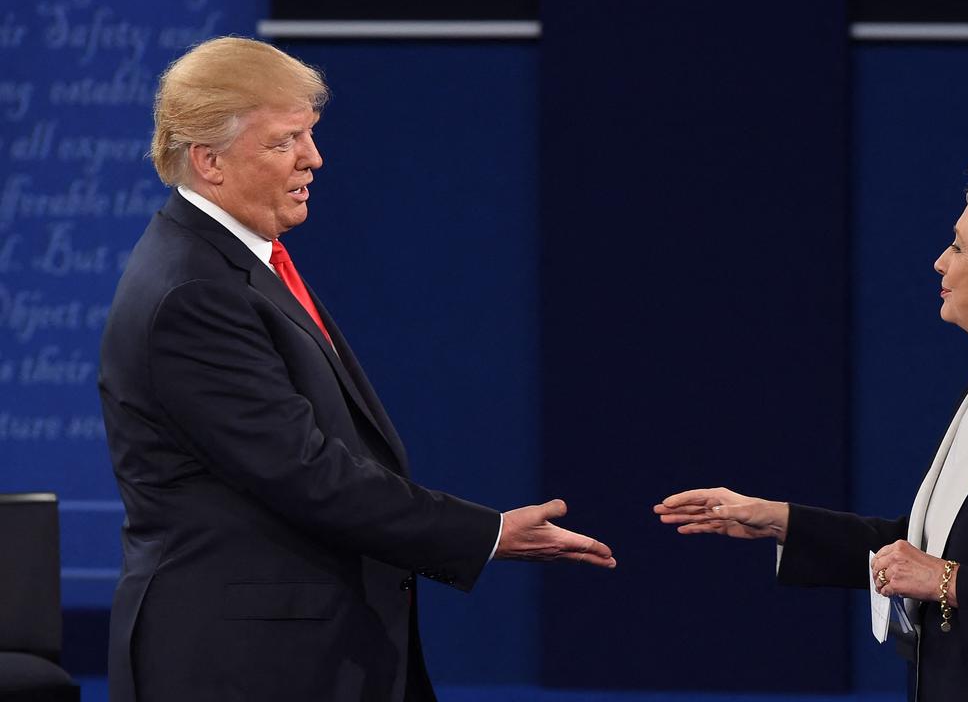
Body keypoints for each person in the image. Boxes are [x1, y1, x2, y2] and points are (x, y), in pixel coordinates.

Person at [98, 36, 614, 702]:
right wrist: (485, 534)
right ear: (210, 161)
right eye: (285, 141)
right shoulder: (193, 291)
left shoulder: (235, 262)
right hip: (240, 663)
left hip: (301, 650)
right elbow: (306, 473)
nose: (313, 158)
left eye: (308, 135)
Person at [654, 147, 968, 701]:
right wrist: (779, 522)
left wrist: (946, 581)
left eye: (959, 246)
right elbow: (928, 548)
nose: (940, 262)